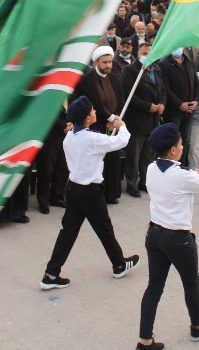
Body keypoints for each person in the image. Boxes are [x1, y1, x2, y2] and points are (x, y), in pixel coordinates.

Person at [39, 96, 139, 290]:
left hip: (73, 188)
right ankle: (119, 264)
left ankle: (51, 273)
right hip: (89, 191)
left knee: (68, 232)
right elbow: (121, 141)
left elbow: (100, 145)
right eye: (92, 111)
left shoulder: (71, 136)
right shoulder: (92, 139)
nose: (95, 113)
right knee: (104, 229)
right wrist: (122, 125)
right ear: (86, 118)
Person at [136, 123, 199, 349]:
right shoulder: (182, 176)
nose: (183, 147)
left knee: (154, 286)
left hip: (154, 234)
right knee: (191, 283)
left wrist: (193, 175)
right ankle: (197, 326)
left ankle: (145, 340)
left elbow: (175, 178)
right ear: (173, 150)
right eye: (181, 144)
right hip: (178, 239)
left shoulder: (152, 168)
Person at [73, 46, 125, 203]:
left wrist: (116, 119)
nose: (108, 65)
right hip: (96, 125)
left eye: (110, 62)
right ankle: (98, 193)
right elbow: (93, 102)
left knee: (112, 159)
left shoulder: (114, 77)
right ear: (96, 62)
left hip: (112, 125)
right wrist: (109, 118)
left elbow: (121, 99)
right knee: (98, 161)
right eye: (105, 62)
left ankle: (111, 193)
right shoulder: (86, 80)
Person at [120, 42, 166, 197]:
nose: (147, 56)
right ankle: (131, 183)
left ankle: (144, 181)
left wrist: (162, 105)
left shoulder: (156, 69)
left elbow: (163, 91)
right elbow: (128, 94)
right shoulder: (130, 70)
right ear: (138, 54)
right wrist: (148, 106)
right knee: (134, 154)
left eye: (150, 53)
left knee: (149, 154)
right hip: (137, 119)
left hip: (153, 119)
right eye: (144, 53)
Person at [159, 48, 199, 167]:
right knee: (173, 141)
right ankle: (172, 167)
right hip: (173, 112)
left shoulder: (189, 62)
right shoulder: (164, 65)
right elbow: (166, 88)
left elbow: (196, 83)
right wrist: (179, 104)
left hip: (189, 110)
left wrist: (196, 101)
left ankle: (183, 166)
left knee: (185, 141)